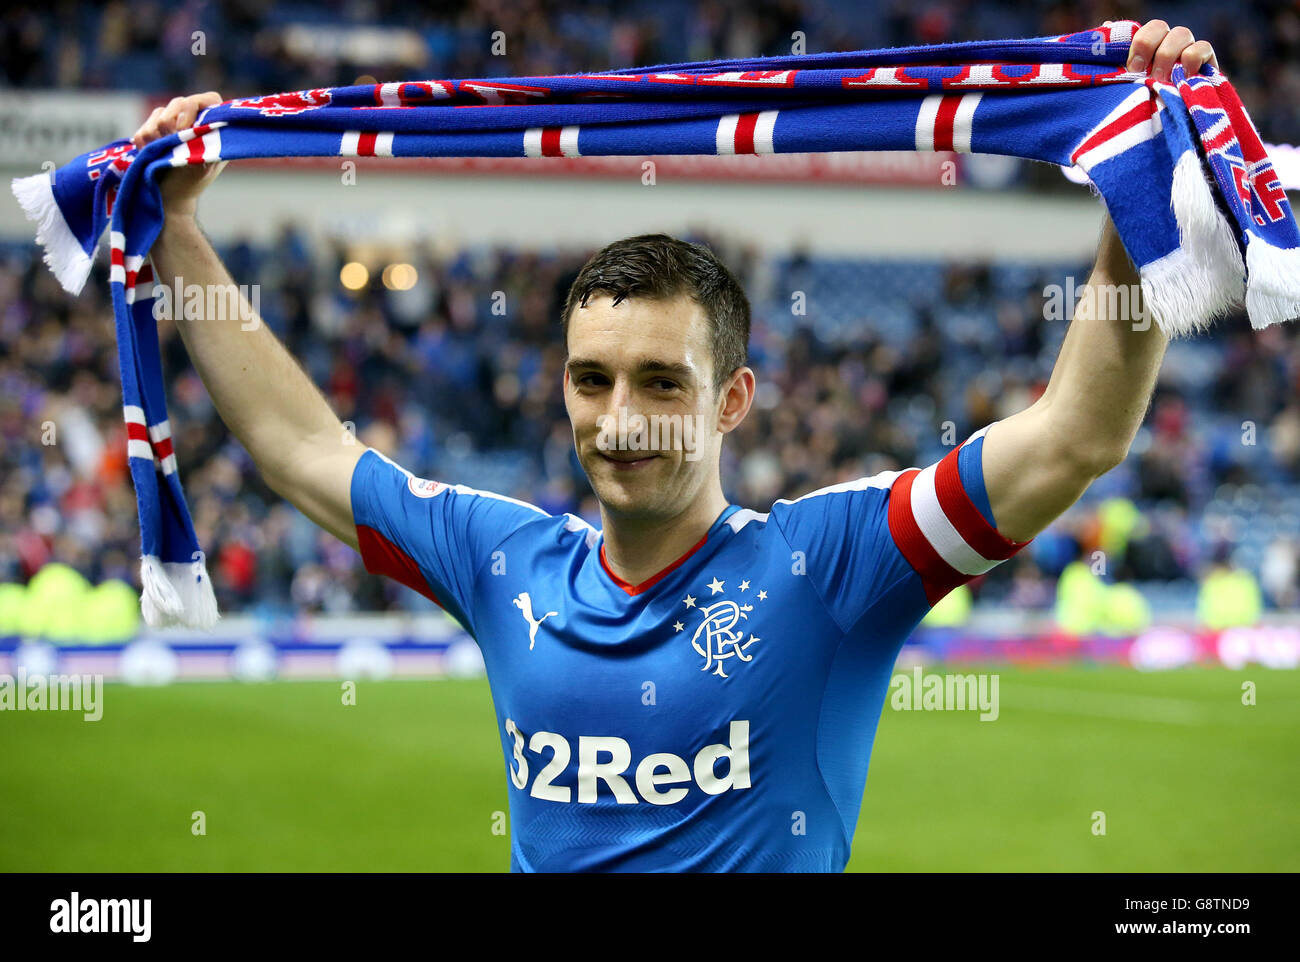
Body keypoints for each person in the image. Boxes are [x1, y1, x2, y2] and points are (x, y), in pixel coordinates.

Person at [132, 21, 1217, 872]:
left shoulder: (833, 564)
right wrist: (176, 225)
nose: (620, 417)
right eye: (591, 379)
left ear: (732, 398)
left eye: (662, 380)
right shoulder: (500, 557)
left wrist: (1133, 191)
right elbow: (294, 444)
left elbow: (1076, 432)